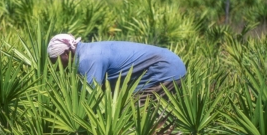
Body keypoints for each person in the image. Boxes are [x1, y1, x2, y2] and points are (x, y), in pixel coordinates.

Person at [47, 33, 186, 104]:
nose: (57, 67)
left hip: (164, 70)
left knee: (131, 113)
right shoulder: (88, 50)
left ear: (66, 53)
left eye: (56, 61)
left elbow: (90, 99)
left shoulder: (87, 59)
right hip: (172, 64)